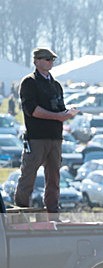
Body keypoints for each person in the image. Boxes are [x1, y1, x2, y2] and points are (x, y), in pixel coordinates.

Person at [14, 48, 79, 216]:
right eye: (47, 59)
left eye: (52, 59)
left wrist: (68, 113)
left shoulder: (56, 85)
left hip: (55, 138)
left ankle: (53, 215)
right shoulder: (29, 82)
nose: (50, 62)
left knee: (54, 178)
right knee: (28, 176)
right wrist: (58, 116)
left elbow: (59, 108)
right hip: (36, 138)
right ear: (36, 61)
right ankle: (20, 216)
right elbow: (32, 110)